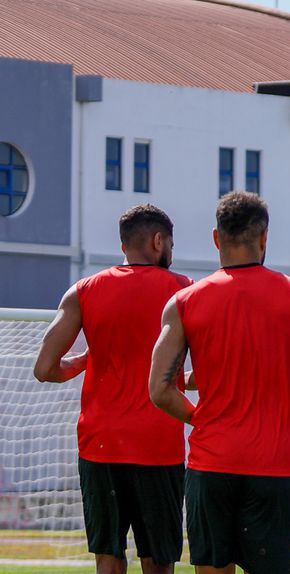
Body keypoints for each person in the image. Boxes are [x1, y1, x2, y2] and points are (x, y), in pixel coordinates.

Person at [147, 191, 290, 574]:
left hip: (211, 465)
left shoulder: (184, 301)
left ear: (216, 238)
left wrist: (199, 419)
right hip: (276, 466)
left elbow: (158, 388)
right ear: (264, 237)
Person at [33, 205, 191, 574]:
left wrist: (86, 360)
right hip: (158, 444)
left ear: (123, 245)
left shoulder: (83, 290)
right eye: (170, 242)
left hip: (100, 443)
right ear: (158, 241)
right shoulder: (183, 290)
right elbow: (210, 367)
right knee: (158, 559)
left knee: (108, 556)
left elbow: (44, 368)